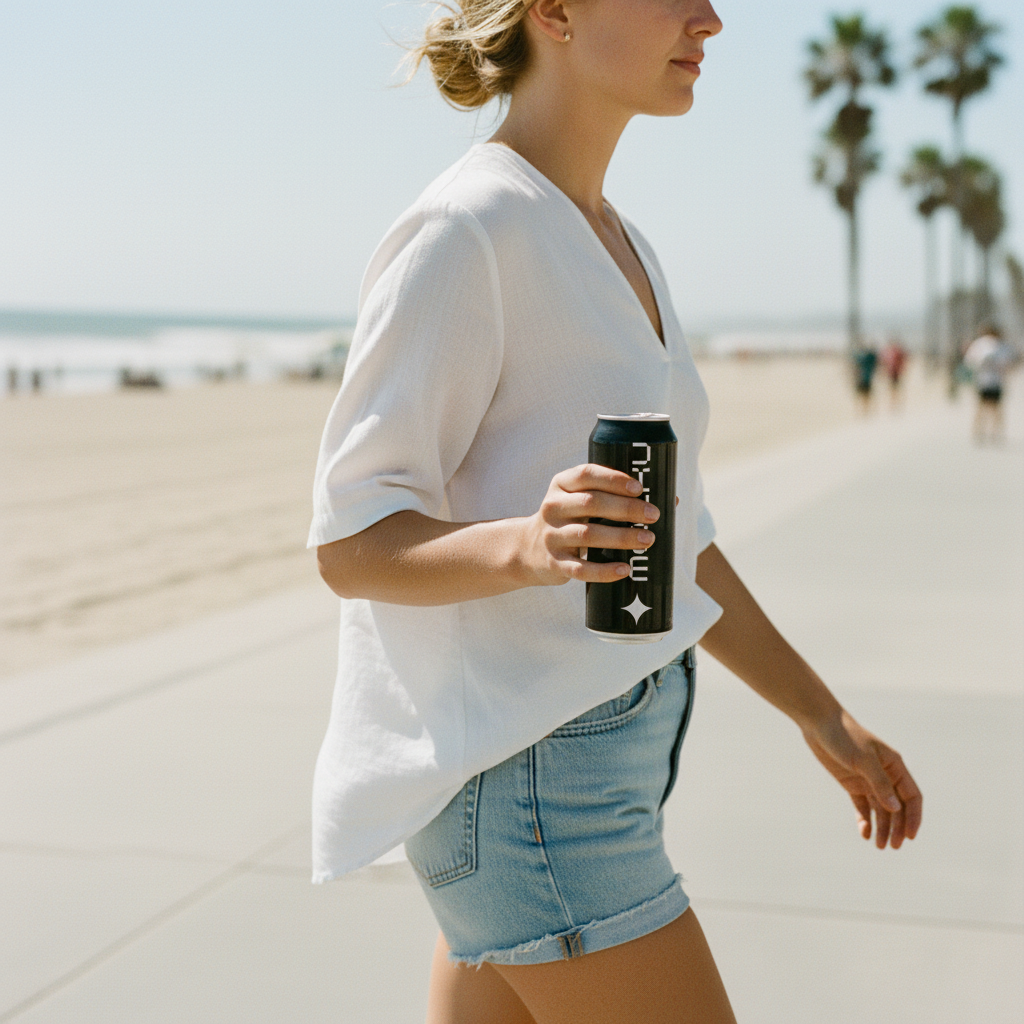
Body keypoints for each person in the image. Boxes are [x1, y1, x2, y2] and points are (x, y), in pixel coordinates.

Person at [309, 3, 922, 1022]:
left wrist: (821, 713)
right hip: (540, 796)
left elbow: (675, 532)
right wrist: (528, 545)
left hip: (567, 784)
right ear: (553, 11)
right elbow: (349, 540)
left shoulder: (616, 239)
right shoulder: (467, 229)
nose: (711, 19)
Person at [963, 324, 1016, 443]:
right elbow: (970, 361)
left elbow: (1009, 363)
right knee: (985, 407)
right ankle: (981, 432)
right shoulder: (981, 344)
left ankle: (990, 432)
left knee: (991, 408)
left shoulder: (1001, 345)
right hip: (986, 380)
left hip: (993, 380)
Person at [879, 337, 908, 411]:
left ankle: (896, 403)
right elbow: (884, 363)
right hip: (891, 372)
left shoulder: (898, 352)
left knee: (896, 388)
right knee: (892, 388)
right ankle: (893, 403)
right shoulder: (888, 353)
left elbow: (903, 361)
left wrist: (903, 369)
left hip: (896, 372)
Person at [851, 343, 878, 414]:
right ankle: (863, 410)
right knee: (863, 395)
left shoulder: (864, 358)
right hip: (863, 378)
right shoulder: (865, 358)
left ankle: (863, 410)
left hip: (864, 378)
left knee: (864, 395)